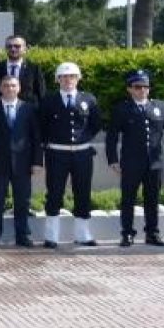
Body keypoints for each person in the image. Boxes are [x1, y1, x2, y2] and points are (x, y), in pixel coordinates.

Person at [105, 69, 164, 247]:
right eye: (137, 87)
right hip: (131, 163)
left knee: (152, 199)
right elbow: (112, 137)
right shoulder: (122, 109)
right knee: (128, 199)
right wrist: (113, 160)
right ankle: (127, 233)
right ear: (129, 89)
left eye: (145, 86)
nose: (142, 90)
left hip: (155, 162)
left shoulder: (159, 106)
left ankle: (152, 233)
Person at [38, 62, 102, 248]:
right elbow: (41, 126)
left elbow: (96, 123)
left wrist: (83, 139)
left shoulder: (88, 99)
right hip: (57, 153)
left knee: (82, 193)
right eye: (64, 77)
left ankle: (82, 234)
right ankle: (51, 236)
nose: (68, 80)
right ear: (58, 79)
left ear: (78, 78)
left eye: (72, 76)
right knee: (54, 193)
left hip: (82, 154)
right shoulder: (49, 100)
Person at [0, 75, 43, 247]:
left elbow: (36, 137)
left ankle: (22, 235)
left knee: (22, 201)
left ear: (19, 88)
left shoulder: (29, 108)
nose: (9, 88)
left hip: (23, 163)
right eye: (6, 85)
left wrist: (37, 161)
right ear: (0, 88)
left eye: (13, 85)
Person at [0, 35, 45, 103]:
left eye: (17, 46)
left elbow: (41, 94)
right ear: (5, 48)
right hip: (0, 111)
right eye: (9, 46)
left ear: (24, 49)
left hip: (27, 111)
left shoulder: (34, 69)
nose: (13, 49)